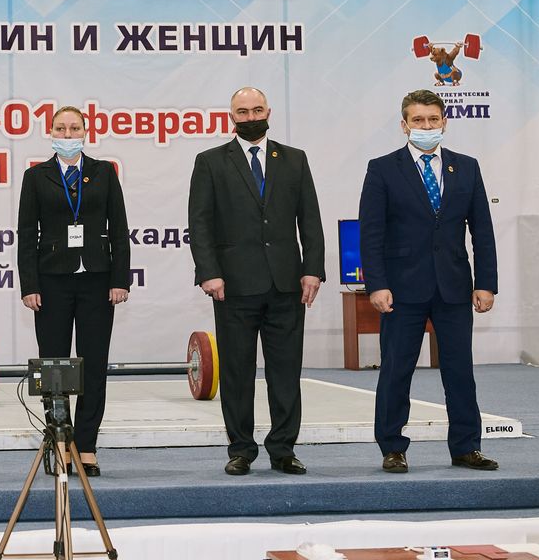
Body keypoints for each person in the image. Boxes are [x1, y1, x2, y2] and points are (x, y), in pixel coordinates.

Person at [358, 89, 498, 474]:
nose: (426, 126)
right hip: (401, 288)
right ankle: (392, 447)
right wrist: (376, 284)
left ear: (444, 122)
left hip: (454, 286)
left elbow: (483, 230)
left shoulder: (466, 167)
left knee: (460, 371)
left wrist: (486, 282)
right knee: (396, 370)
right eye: (418, 120)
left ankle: (466, 447)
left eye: (432, 119)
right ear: (404, 125)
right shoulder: (382, 168)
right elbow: (371, 233)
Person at [187, 87, 324, 476]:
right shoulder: (210, 161)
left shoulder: (294, 159)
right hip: (232, 285)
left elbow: (310, 219)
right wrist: (209, 272)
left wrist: (313, 269)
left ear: (269, 111)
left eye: (257, 110)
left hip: (286, 285)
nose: (251, 117)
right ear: (231, 116)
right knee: (236, 372)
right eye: (243, 111)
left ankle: (283, 449)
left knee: (286, 372)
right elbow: (200, 222)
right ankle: (241, 450)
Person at [17, 105, 130, 477]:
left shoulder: (104, 172)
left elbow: (120, 229)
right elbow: (26, 235)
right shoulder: (36, 176)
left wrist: (120, 279)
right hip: (51, 281)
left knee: (93, 364)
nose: (68, 135)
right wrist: (29, 285)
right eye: (61, 129)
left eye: (74, 128)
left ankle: (86, 445)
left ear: (86, 131)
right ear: (51, 133)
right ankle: (59, 442)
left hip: (98, 280)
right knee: (54, 366)